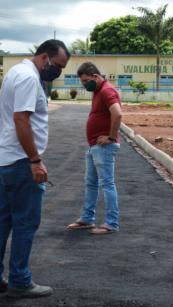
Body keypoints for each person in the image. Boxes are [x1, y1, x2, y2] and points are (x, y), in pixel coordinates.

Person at [0, 40, 70, 298]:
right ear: (45, 57)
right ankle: (20, 280)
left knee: (3, 219)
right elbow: (21, 119)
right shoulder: (29, 78)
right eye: (58, 66)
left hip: (7, 158)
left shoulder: (17, 72)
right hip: (20, 161)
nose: (58, 72)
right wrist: (34, 160)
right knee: (25, 222)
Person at [66, 62, 122, 235]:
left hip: (104, 147)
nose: (84, 84)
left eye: (86, 81)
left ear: (96, 76)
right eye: (82, 82)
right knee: (91, 184)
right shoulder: (98, 91)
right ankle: (87, 219)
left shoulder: (106, 91)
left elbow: (117, 113)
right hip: (94, 146)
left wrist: (111, 137)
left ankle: (111, 223)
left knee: (107, 184)